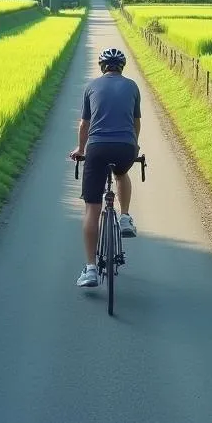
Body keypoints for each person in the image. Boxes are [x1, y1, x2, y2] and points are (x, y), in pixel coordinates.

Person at [70, 46, 141, 287]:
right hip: (125, 147)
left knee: (92, 208)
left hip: (97, 148)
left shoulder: (91, 86)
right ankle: (124, 217)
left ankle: (90, 269)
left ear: (102, 68)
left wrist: (81, 150)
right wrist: (135, 146)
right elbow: (135, 122)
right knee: (121, 174)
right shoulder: (132, 86)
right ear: (122, 68)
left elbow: (84, 125)